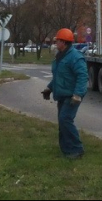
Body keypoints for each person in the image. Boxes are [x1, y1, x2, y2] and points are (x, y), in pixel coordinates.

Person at [41, 28, 88, 159]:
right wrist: (49, 88)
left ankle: (77, 149)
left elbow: (83, 76)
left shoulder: (75, 57)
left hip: (72, 95)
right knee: (62, 122)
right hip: (63, 94)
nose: (56, 43)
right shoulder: (60, 56)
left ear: (64, 42)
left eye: (58, 41)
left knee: (65, 119)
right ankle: (66, 149)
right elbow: (59, 77)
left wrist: (78, 95)